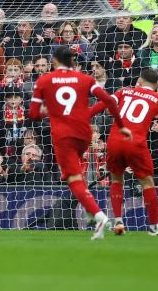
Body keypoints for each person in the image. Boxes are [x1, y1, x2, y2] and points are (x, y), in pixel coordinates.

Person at [28, 46, 131, 240]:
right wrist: (121, 125)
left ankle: (100, 217)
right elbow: (109, 100)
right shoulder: (86, 79)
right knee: (79, 176)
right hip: (84, 134)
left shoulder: (44, 80)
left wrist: (48, 109)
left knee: (73, 179)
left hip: (64, 136)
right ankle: (95, 216)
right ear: (72, 61)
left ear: (54, 61)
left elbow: (33, 115)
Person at [90, 68, 158, 236]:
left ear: (139, 82)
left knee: (116, 179)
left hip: (115, 141)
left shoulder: (123, 91)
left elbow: (103, 103)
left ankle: (118, 221)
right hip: (135, 142)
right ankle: (154, 227)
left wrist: (85, 114)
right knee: (147, 183)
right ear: (156, 85)